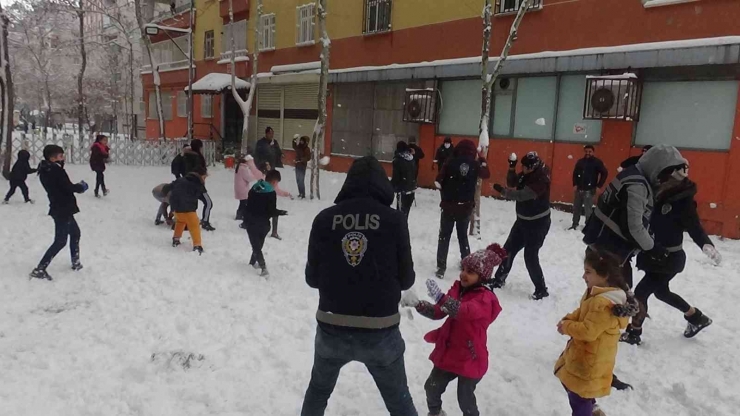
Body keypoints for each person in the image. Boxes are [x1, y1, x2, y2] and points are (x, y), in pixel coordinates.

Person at [301, 156, 417, 416]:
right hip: (380, 329)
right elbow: (407, 279)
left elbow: (312, 278)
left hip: (333, 326)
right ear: (382, 184)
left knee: (318, 392)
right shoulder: (394, 220)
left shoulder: (324, 219)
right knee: (399, 401)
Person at [621, 168, 721, 345]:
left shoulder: (683, 201)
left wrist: (706, 244)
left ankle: (634, 333)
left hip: (669, 258)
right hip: (654, 254)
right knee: (661, 292)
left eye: (665, 179)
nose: (660, 182)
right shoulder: (656, 194)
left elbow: (694, 226)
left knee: (641, 293)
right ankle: (696, 317)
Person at [412, 244, 505, 416]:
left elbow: (463, 311)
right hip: (450, 351)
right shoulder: (458, 290)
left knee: (465, 399)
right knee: (431, 387)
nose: (463, 273)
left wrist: (441, 298)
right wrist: (419, 305)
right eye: (463, 269)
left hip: (471, 355)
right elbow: (440, 312)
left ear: (482, 276)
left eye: (470, 271)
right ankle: (436, 413)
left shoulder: (485, 299)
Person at [583, 144, 688, 288]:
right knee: (611, 299)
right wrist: (652, 248)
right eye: (664, 177)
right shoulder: (637, 185)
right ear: (656, 168)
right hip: (608, 252)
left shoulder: (633, 175)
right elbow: (633, 226)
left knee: (609, 296)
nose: (663, 182)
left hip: (604, 248)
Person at [555, 249, 630, 416]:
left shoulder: (603, 303)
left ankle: (589, 411)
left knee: (578, 397)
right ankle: (593, 409)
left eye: (588, 272)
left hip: (589, 361)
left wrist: (567, 327)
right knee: (570, 383)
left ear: (605, 275)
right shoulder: (595, 292)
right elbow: (583, 312)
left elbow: (589, 332)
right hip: (585, 356)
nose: (584, 277)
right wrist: (569, 318)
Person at [491, 151, 552, 300]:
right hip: (522, 221)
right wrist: (511, 168)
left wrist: (504, 192)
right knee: (508, 250)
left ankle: (541, 289)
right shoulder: (527, 174)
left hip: (538, 223)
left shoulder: (541, 179)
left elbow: (522, 195)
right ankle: (499, 279)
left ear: (532, 167)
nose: (522, 169)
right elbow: (513, 183)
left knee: (530, 256)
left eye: (524, 167)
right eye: (522, 166)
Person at [30, 145, 89, 280]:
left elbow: (61, 187)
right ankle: (40, 269)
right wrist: (81, 187)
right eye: (60, 156)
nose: (63, 158)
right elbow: (67, 187)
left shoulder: (46, 169)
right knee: (60, 241)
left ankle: (76, 262)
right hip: (62, 209)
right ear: (52, 158)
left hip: (61, 207)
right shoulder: (55, 171)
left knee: (75, 233)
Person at [434, 139, 490, 278]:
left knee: (444, 236)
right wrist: (482, 159)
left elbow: (438, 181)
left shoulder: (450, 161)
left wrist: (446, 192)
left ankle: (441, 267)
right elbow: (486, 174)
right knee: (462, 236)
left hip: (449, 206)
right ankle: (467, 264)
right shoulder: (475, 164)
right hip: (465, 207)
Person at [244, 170, 288, 277]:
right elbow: (271, 211)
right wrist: (280, 212)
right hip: (264, 223)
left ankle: (253, 262)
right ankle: (262, 266)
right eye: (277, 182)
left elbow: (248, 204)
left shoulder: (254, 188)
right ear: (274, 181)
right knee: (258, 244)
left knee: (256, 245)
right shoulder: (271, 192)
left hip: (251, 221)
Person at [169, 166, 207, 254]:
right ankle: (197, 245)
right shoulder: (197, 183)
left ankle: (176, 239)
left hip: (176, 208)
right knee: (194, 226)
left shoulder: (180, 180)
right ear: (200, 176)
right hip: (189, 209)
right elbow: (203, 195)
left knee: (180, 222)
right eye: (204, 177)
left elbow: (168, 188)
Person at [570, 145, 608, 230]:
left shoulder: (597, 162)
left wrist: (599, 186)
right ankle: (574, 224)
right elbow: (575, 174)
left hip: (590, 190)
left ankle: (588, 226)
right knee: (576, 208)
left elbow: (604, 173)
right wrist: (575, 184)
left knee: (588, 210)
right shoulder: (580, 162)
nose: (588, 153)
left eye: (590, 151)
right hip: (579, 189)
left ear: (593, 152)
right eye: (586, 151)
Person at [184, 139, 215, 231]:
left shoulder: (186, 156)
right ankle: (205, 221)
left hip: (188, 183)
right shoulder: (196, 157)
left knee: (190, 205)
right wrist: (203, 173)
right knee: (208, 203)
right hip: (197, 184)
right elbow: (197, 169)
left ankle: (185, 222)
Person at [256, 161, 293, 239]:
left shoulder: (266, 181)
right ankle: (273, 232)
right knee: (273, 213)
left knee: (274, 213)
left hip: (258, 208)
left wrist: (286, 194)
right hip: (260, 209)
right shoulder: (268, 185)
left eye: (269, 165)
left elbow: (278, 191)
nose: (268, 167)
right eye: (267, 166)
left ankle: (273, 232)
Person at [392, 141, 417, 218]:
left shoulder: (398, 160)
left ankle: (400, 229)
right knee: (405, 213)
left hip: (402, 190)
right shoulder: (411, 159)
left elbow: (396, 178)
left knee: (400, 215)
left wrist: (392, 187)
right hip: (411, 189)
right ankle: (404, 227)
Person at [234, 153, 263, 221]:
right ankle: (240, 215)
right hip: (243, 188)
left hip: (239, 188)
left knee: (242, 202)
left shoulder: (240, 167)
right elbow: (248, 178)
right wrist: (254, 176)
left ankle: (240, 214)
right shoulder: (243, 168)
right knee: (244, 202)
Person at [293, 135, 311, 199]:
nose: (301, 142)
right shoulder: (299, 147)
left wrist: (302, 159)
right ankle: (300, 193)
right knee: (297, 180)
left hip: (302, 166)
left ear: (305, 142)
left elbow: (308, 157)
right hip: (297, 165)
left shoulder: (307, 149)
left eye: (302, 141)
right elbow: (294, 146)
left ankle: (303, 194)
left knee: (301, 180)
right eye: (300, 140)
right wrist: (294, 140)